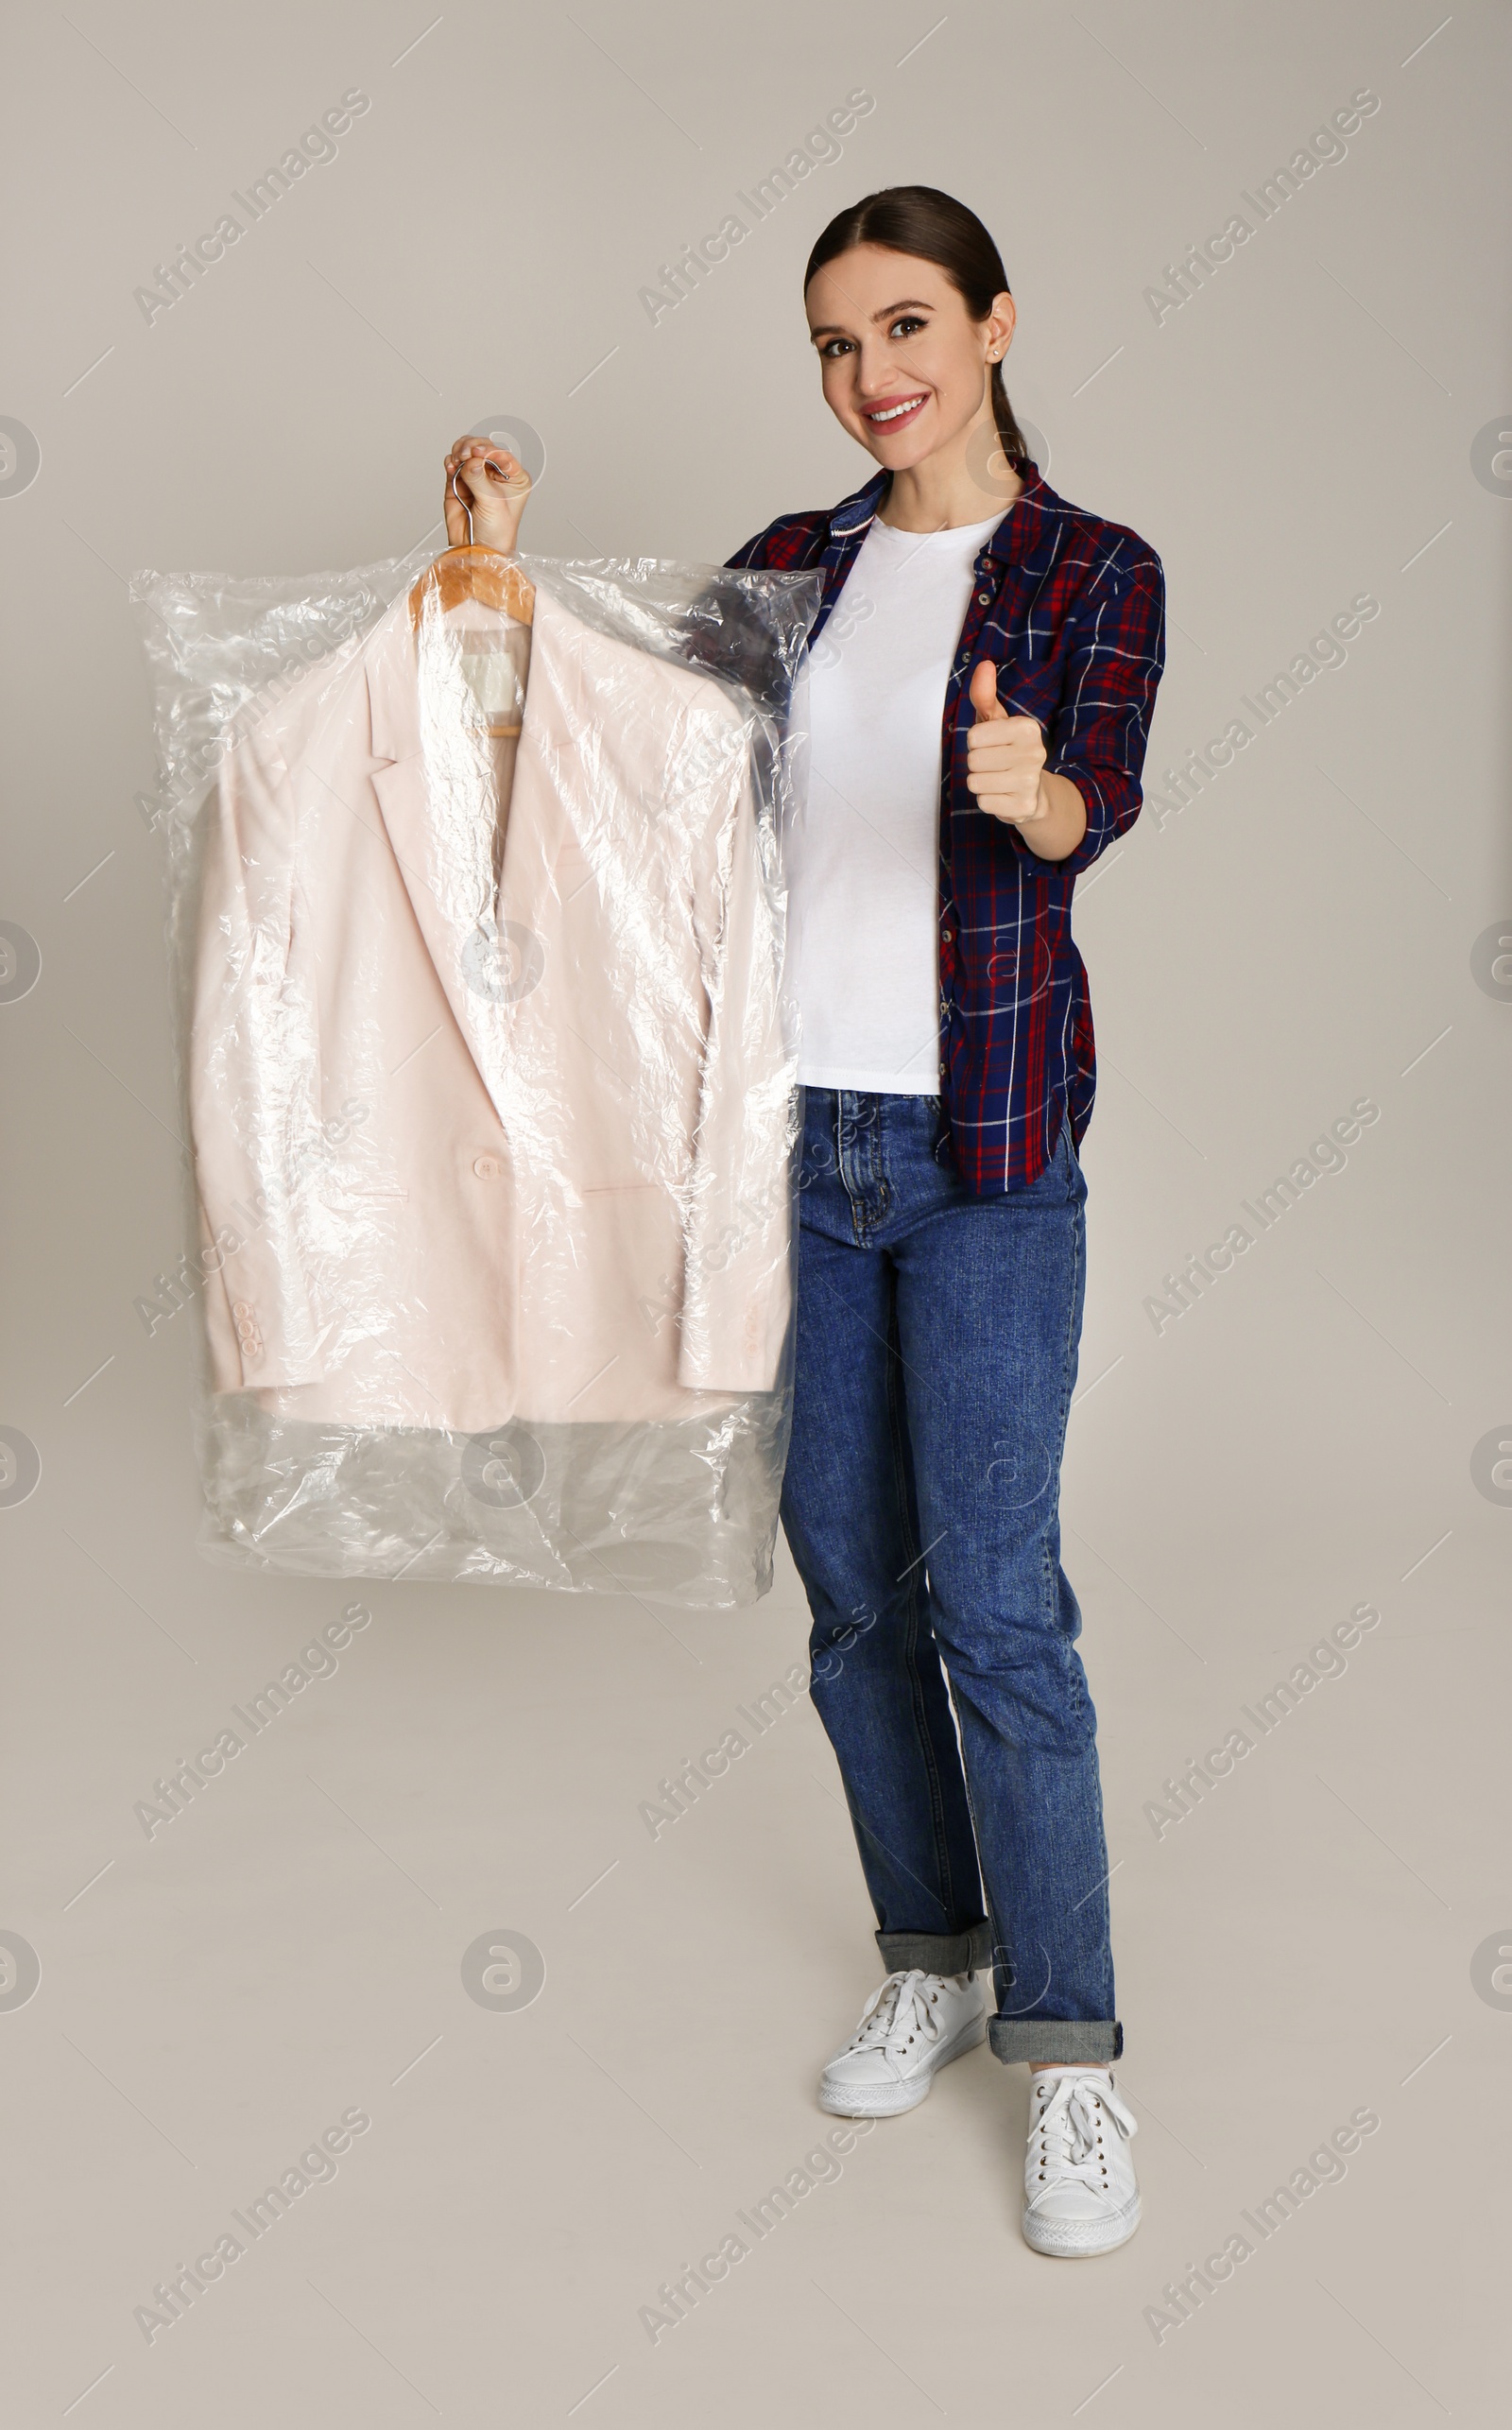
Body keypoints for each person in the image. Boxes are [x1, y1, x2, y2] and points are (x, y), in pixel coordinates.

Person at [441, 182, 1166, 2259]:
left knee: (999, 1602)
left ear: (999, 321)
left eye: (909, 325)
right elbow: (604, 760)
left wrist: (1024, 783)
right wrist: (496, 571)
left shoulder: (1087, 572)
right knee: (852, 1590)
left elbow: (1083, 803)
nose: (874, 376)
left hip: (985, 1156)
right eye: (838, 345)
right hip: (797, 1149)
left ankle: (1067, 2047)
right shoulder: (790, 567)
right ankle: (929, 1948)